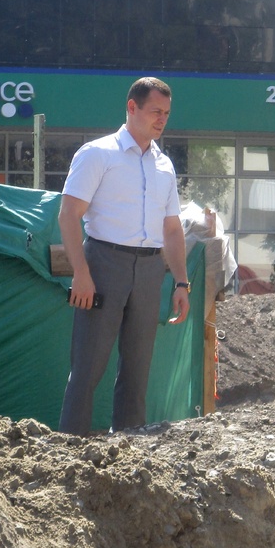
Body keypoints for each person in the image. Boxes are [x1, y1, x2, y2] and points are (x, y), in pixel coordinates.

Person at [58, 76, 191, 435]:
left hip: (150, 270)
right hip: (103, 264)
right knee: (87, 368)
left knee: (137, 370)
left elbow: (172, 229)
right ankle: (69, 451)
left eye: (166, 113)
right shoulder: (97, 154)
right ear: (132, 107)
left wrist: (181, 283)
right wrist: (81, 273)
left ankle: (131, 452)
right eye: (155, 111)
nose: (162, 120)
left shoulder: (164, 165)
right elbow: (68, 215)